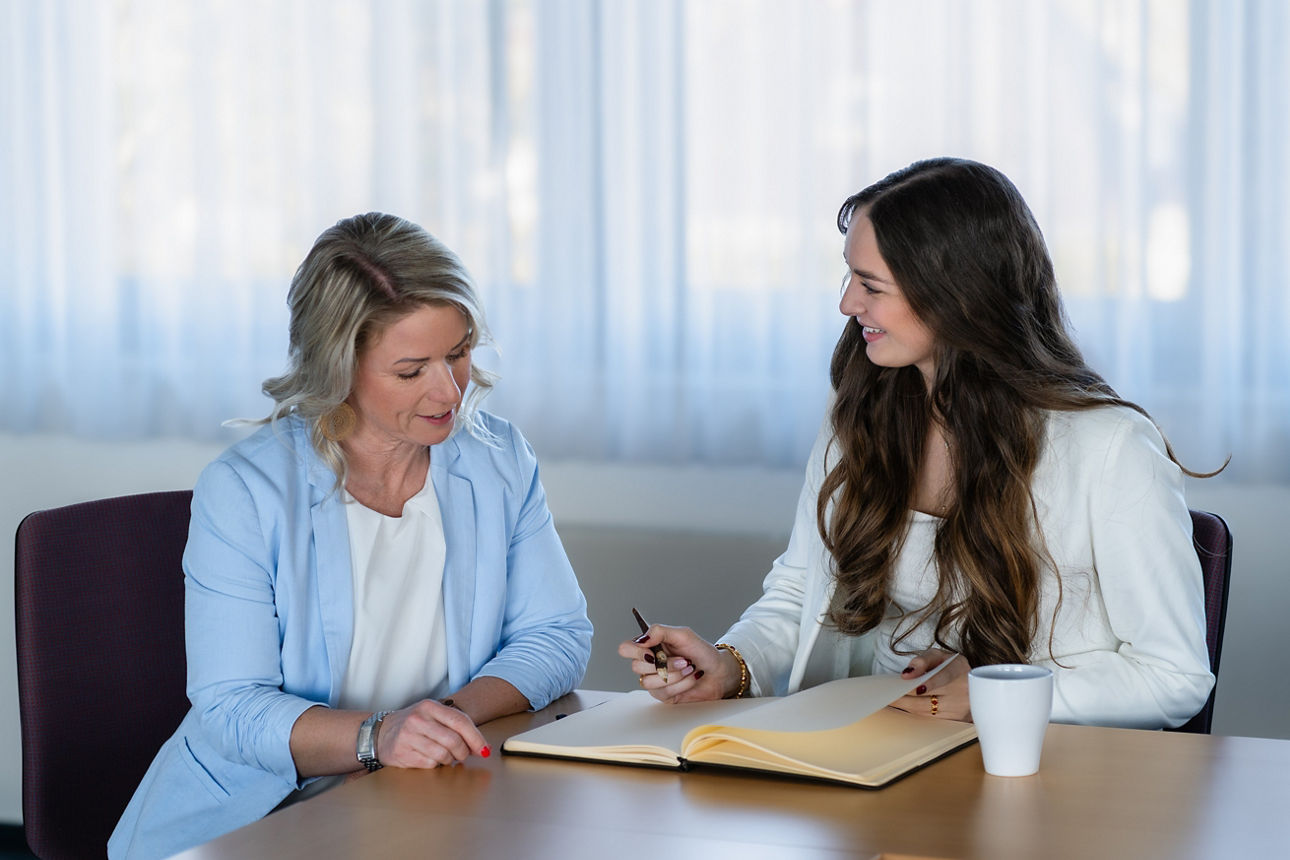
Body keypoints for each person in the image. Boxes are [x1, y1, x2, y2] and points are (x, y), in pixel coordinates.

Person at [620, 157, 1215, 730]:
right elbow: (802, 591)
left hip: (1041, 768)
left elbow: (1174, 675)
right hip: (877, 755)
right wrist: (732, 666)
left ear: (956, 295)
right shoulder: (861, 412)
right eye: (850, 276)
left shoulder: (1111, 448)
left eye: (871, 286)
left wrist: (990, 693)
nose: (848, 304)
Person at [111, 213, 593, 859]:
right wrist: (379, 738)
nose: (449, 390)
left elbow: (556, 635)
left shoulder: (497, 457)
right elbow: (231, 708)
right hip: (258, 815)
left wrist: (439, 723)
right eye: (411, 370)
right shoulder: (246, 489)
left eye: (458, 353)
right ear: (338, 367)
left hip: (422, 795)